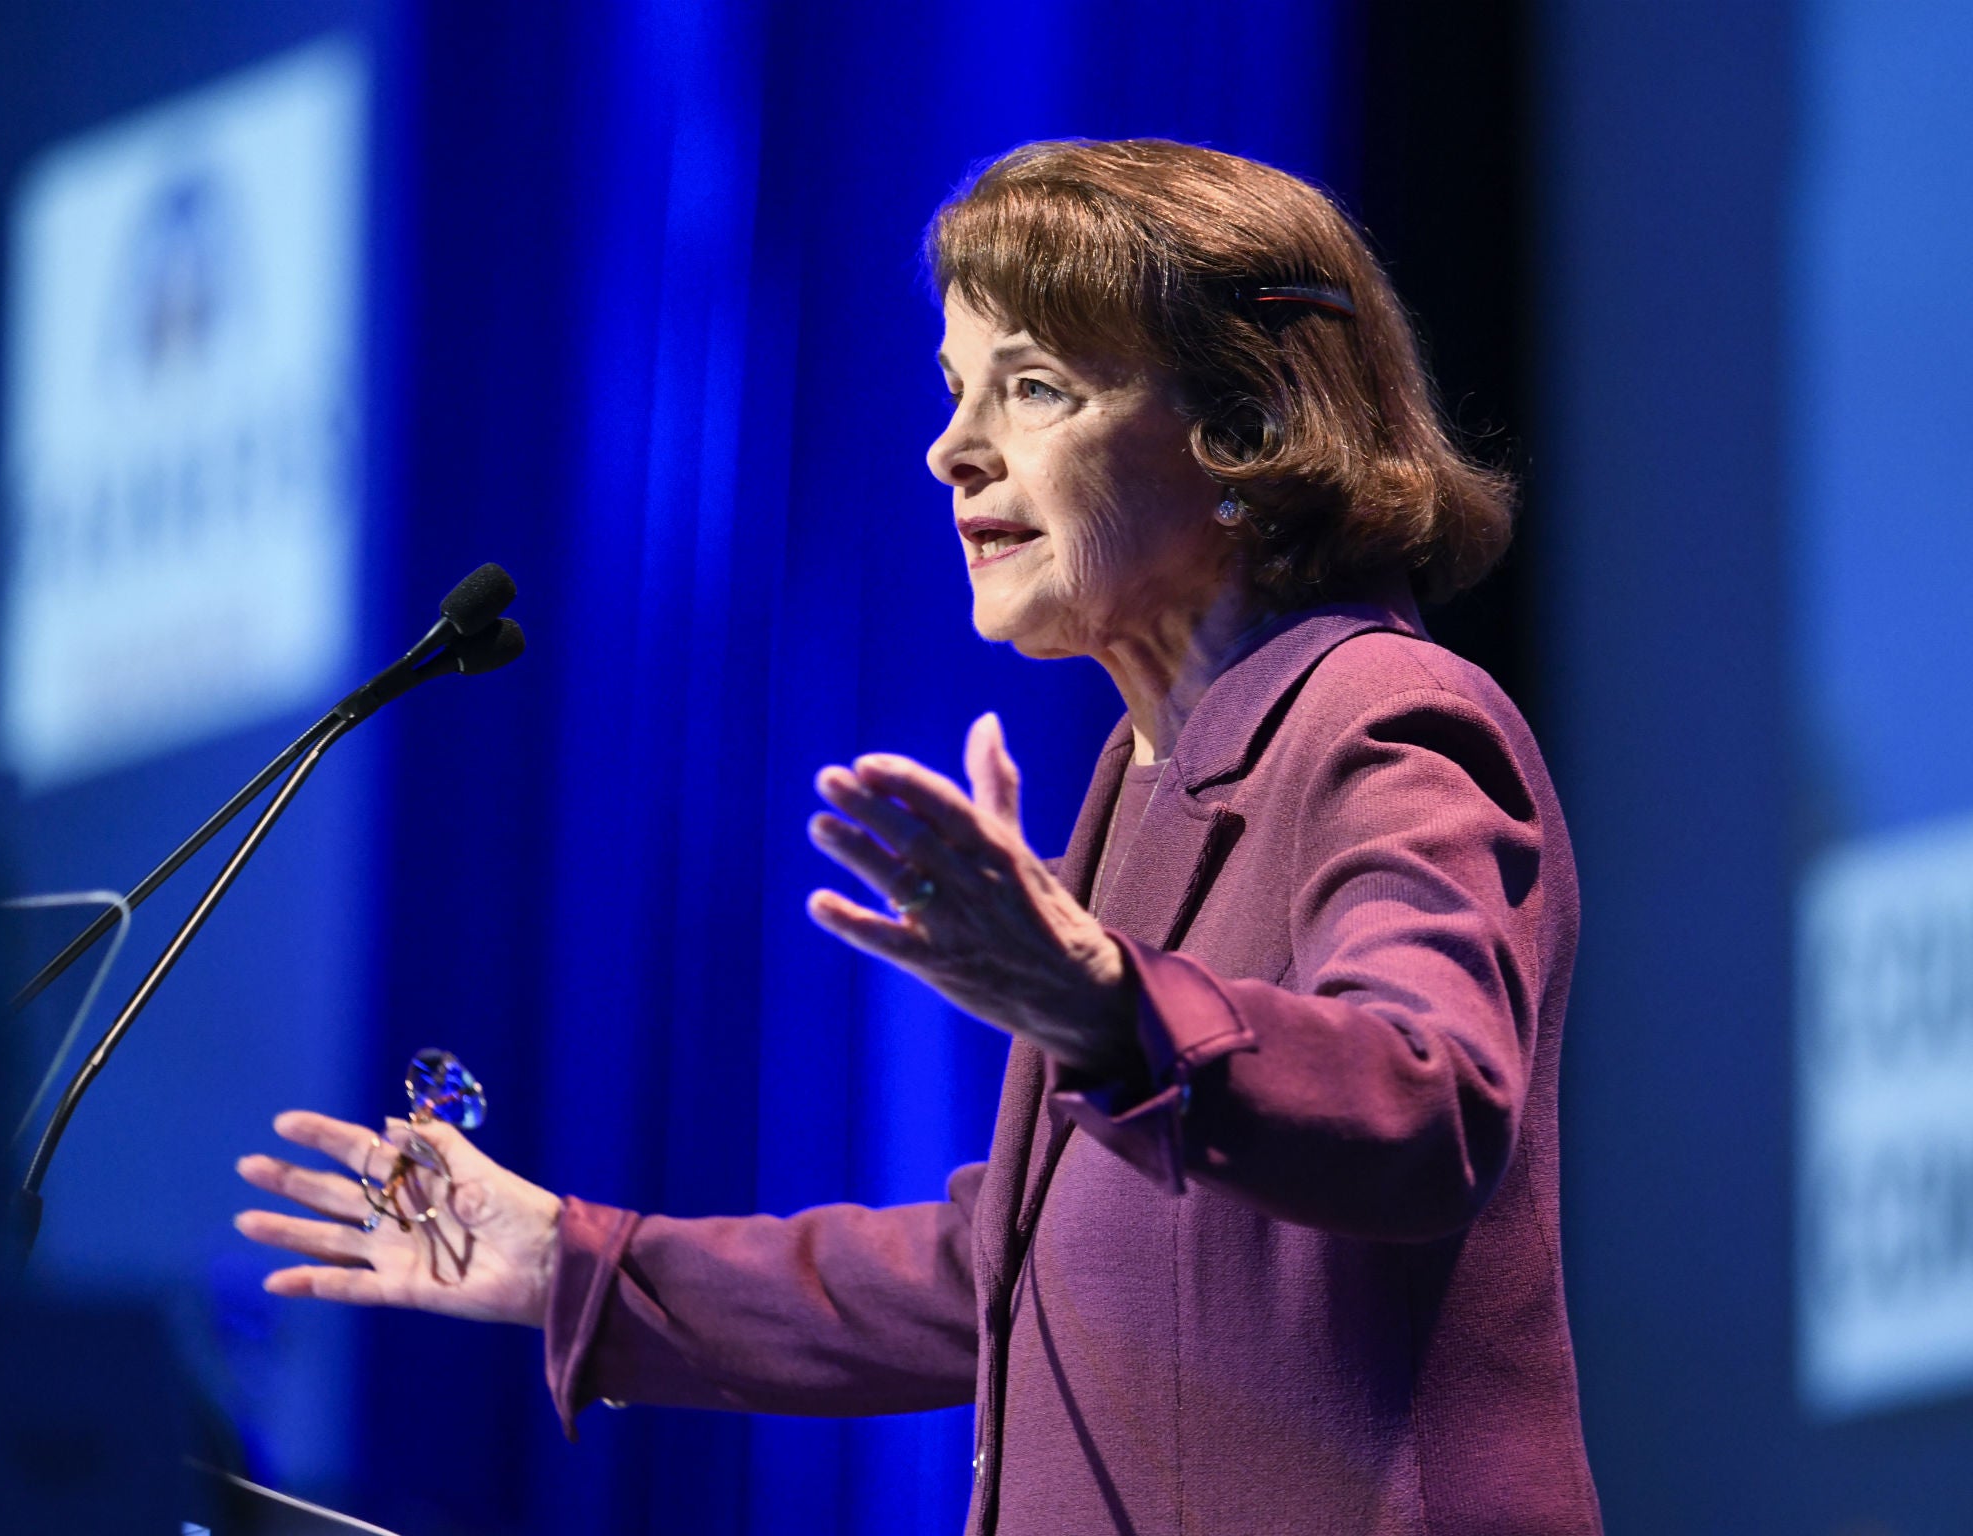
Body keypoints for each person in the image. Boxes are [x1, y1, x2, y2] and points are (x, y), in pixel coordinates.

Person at [237, 139, 1602, 1535]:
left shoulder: (1386, 718)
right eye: (959, 391)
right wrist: (573, 1264)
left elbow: (1432, 1098)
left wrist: (1118, 1014)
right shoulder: (1140, 788)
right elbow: (992, 1271)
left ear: (1244, 433)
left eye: (1034, 389)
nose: (952, 448)